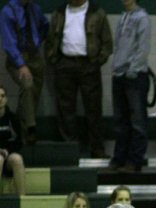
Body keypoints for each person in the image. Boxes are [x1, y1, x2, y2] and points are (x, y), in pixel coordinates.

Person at [45, 0, 112, 158]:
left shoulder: (98, 12)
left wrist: (97, 61)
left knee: (93, 107)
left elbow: (107, 42)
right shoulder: (59, 13)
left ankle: (97, 149)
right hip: (64, 64)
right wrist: (54, 60)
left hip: (89, 64)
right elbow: (50, 40)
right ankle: (70, 149)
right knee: (65, 109)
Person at [109, 0, 150, 173]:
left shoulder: (142, 18)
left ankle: (135, 160)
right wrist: (116, 68)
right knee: (120, 120)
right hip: (119, 74)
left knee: (137, 121)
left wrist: (133, 69)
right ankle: (120, 158)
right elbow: (118, 46)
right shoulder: (123, 17)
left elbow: (143, 47)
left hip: (134, 76)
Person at [0, 0, 48, 144]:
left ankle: (21, 130)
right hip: (18, 56)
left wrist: (37, 41)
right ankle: (30, 128)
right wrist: (21, 64)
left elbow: (45, 26)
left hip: (35, 55)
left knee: (33, 94)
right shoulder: (8, 11)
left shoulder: (35, 9)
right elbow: (9, 43)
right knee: (27, 85)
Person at [0, 85, 27, 195]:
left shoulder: (13, 118)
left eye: (2, 96)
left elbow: (18, 141)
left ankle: (22, 200)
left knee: (17, 159)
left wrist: (7, 151)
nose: (0, 99)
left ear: (6, 99)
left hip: (8, 155)